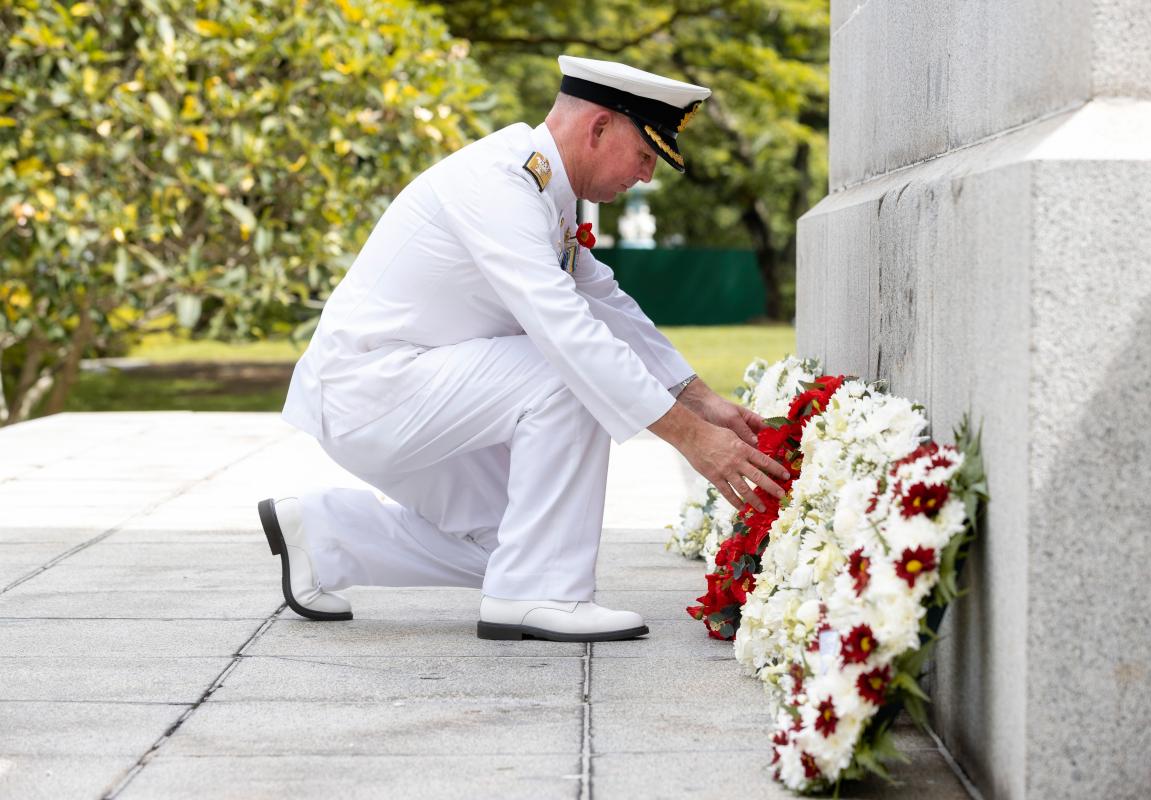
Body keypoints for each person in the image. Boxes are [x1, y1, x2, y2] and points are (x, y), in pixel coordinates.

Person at [258, 55, 790, 642]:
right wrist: (692, 441)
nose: (646, 177)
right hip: (372, 391)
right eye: (645, 156)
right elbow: (563, 327)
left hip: (407, 394)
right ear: (599, 128)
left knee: (514, 541)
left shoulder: (545, 191)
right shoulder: (499, 183)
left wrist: (702, 402)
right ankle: (540, 594)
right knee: (566, 373)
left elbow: (606, 303)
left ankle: (325, 535)